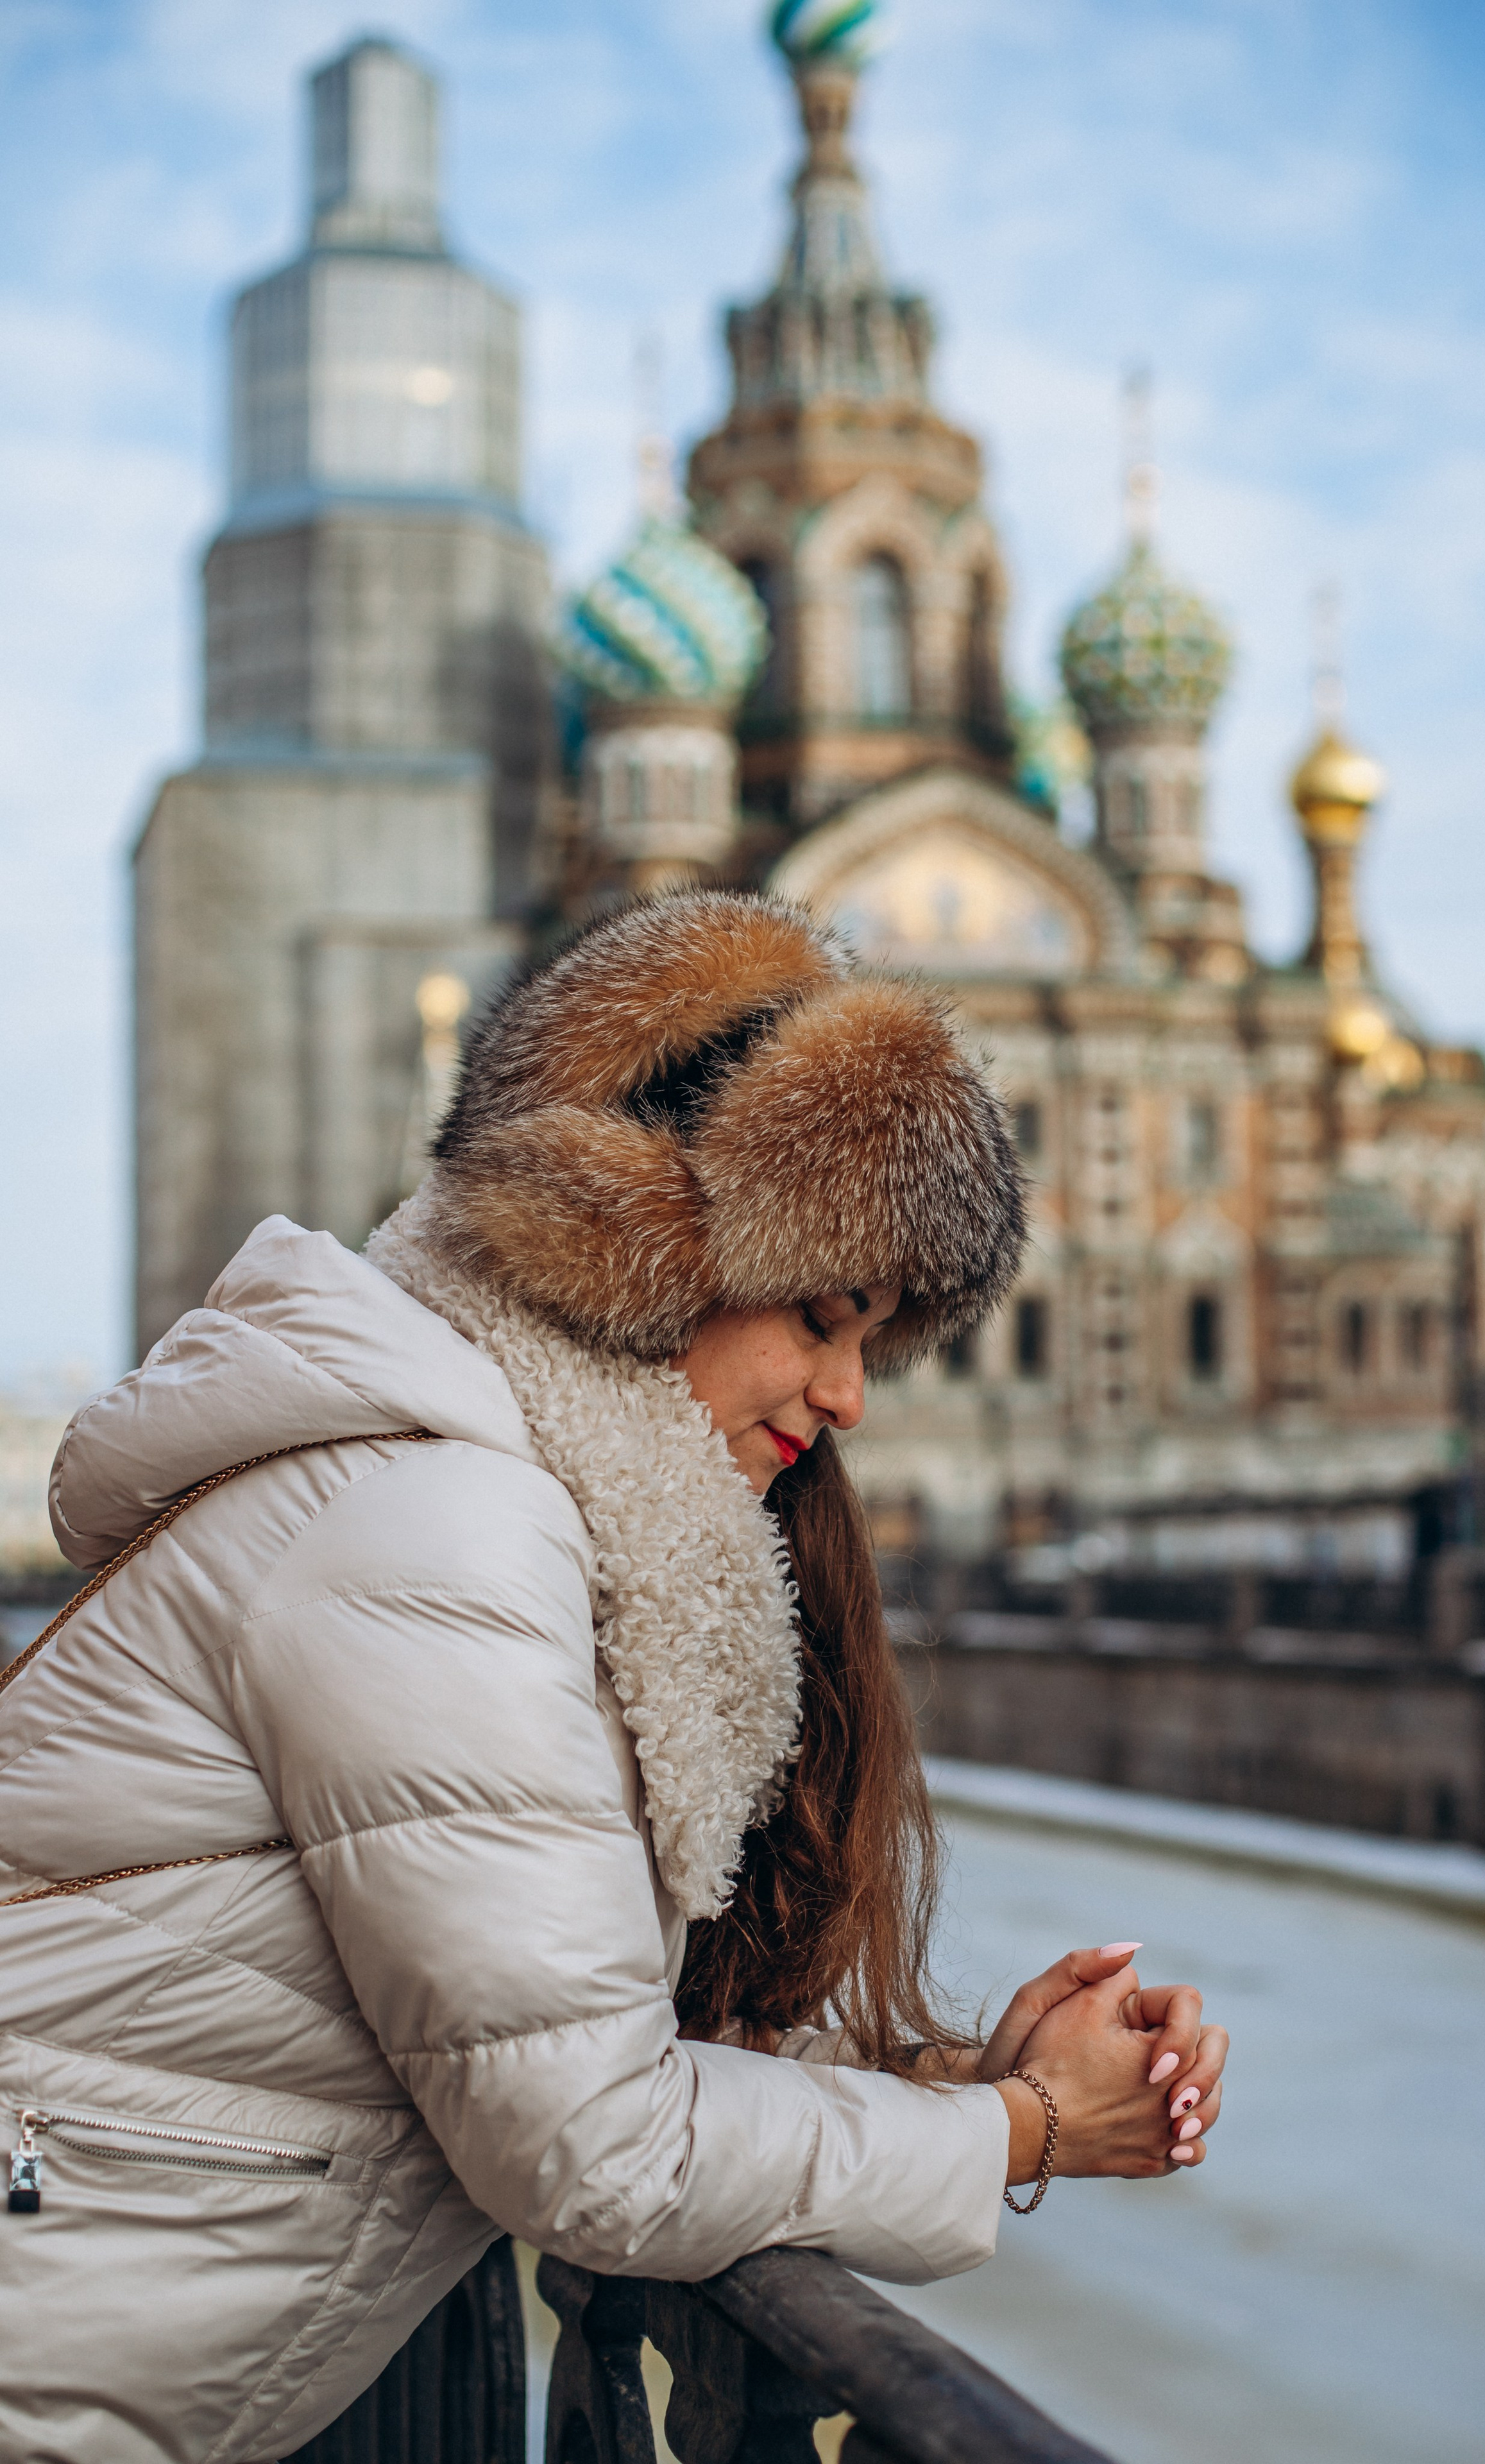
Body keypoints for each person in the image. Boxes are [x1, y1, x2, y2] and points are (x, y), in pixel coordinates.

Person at [0, 893, 1227, 2463]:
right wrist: (1019, 2133)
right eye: (820, 1318)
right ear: (637, 1244)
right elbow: (589, 2148)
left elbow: (545, 2010)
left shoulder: (456, 1492)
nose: (849, 1395)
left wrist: (949, 2078)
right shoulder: (434, 1527)